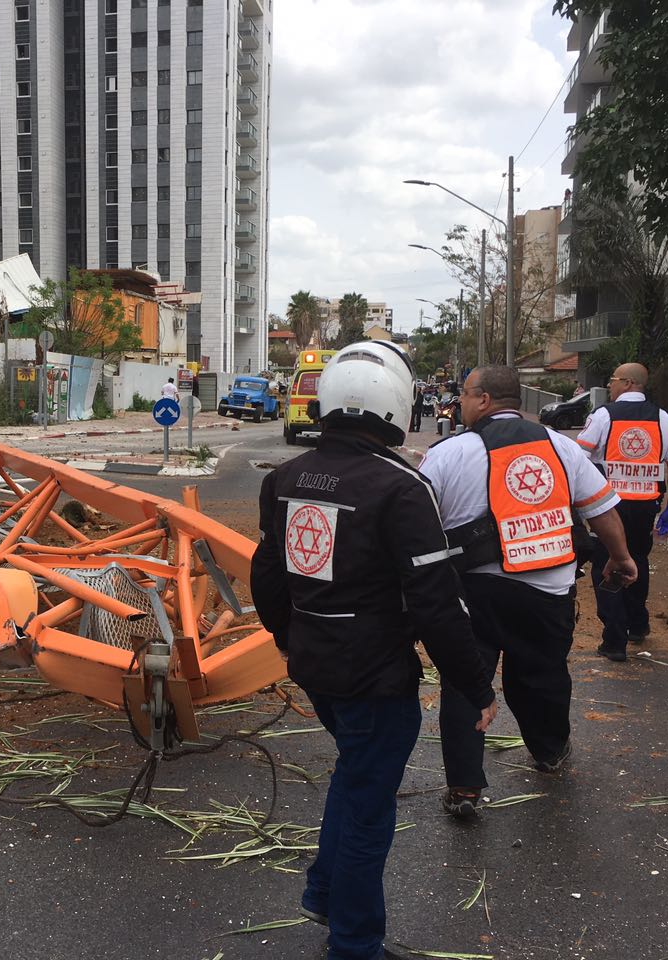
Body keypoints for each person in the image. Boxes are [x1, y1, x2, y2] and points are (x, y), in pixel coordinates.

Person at [251, 341, 499, 960]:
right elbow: (437, 603)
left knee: (353, 774)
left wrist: (291, 638)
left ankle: (327, 894)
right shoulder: (402, 487)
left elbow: (267, 577)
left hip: (316, 666)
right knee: (368, 808)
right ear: (397, 405)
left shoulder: (284, 479)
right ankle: (356, 945)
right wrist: (475, 685)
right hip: (376, 676)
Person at [418, 365, 637, 819]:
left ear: (483, 400)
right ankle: (549, 752)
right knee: (543, 675)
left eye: (463, 395)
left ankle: (464, 787)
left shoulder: (448, 453)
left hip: (472, 593)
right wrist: (620, 558)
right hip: (547, 593)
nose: (458, 403)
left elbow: (418, 525)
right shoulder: (561, 448)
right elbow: (602, 511)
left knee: (465, 680)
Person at [574, 362, 668, 661]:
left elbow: (578, 459)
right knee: (637, 559)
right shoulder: (664, 419)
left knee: (605, 565)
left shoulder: (603, 416)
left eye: (612, 380)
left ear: (626, 382)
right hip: (646, 506)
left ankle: (614, 640)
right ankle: (638, 624)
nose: (610, 386)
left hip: (608, 506)